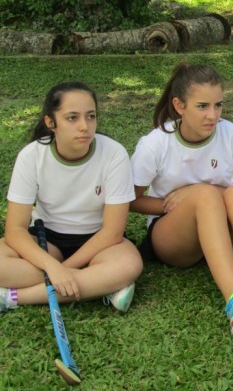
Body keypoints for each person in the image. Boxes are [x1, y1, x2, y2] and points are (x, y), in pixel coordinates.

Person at [129, 63, 233, 337]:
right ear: (179, 106)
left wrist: (205, 193)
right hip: (173, 238)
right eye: (202, 106)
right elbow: (129, 200)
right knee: (207, 195)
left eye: (218, 105)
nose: (213, 115)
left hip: (224, 233)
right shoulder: (155, 143)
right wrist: (180, 202)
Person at [0, 82, 142, 315]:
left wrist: (63, 270)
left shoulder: (114, 153)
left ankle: (12, 297)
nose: (84, 126)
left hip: (100, 242)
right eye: (72, 118)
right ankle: (100, 284)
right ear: (50, 122)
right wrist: (51, 266)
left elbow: (113, 232)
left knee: (128, 265)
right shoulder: (31, 155)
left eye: (91, 116)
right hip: (47, 241)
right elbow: (15, 230)